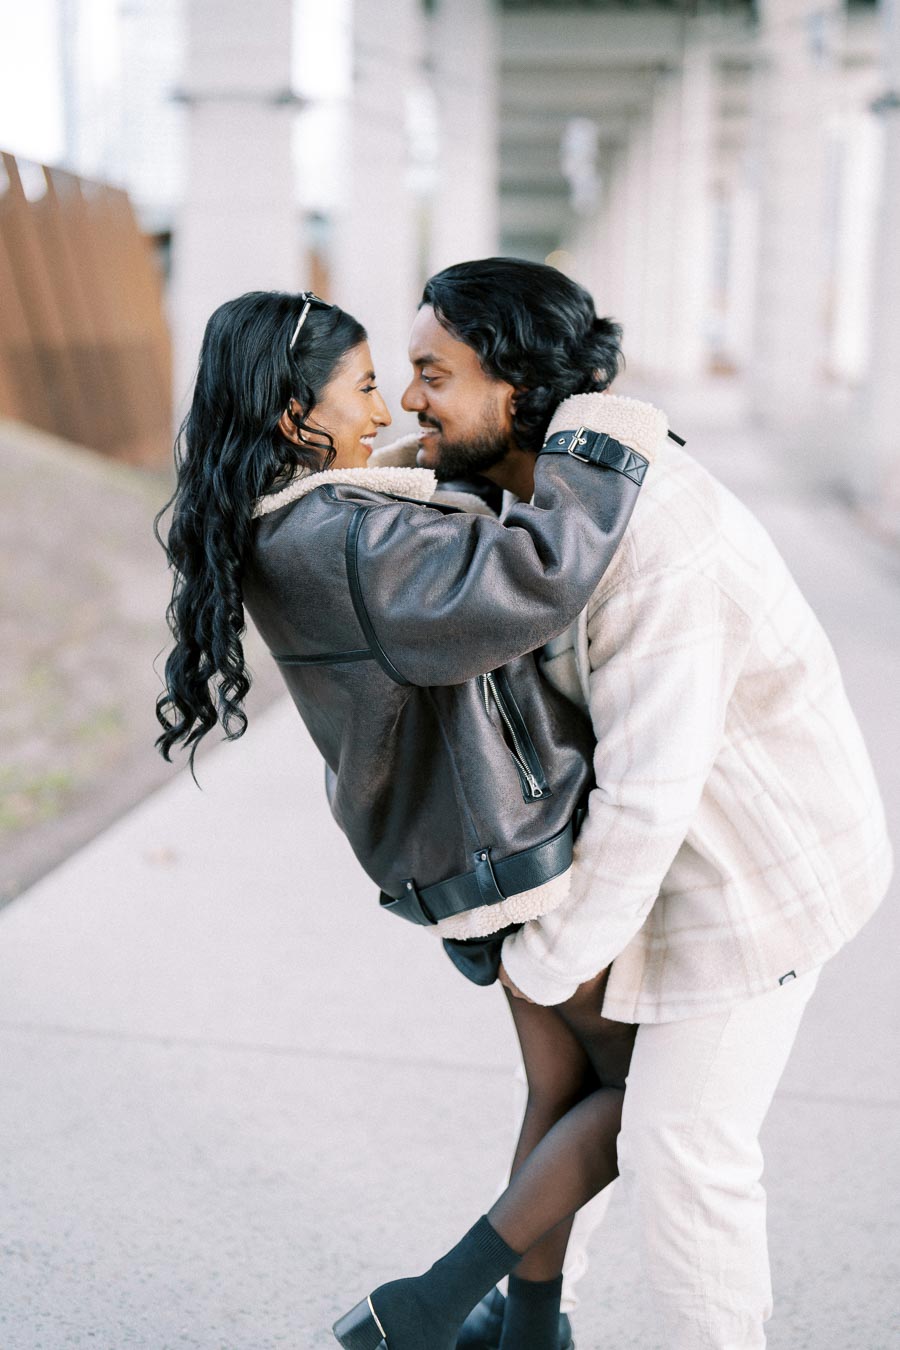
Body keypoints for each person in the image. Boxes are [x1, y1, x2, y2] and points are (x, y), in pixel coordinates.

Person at [379, 257, 892, 1350]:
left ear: (518, 388)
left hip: (759, 875)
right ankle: (522, 1325)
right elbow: (396, 487)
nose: (409, 395)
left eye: (433, 372)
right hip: (662, 864)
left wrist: (546, 962)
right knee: (585, 1087)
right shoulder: (532, 482)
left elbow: (652, 800)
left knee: (682, 1147)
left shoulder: (653, 542)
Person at [154, 287, 659, 1350]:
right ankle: (429, 1305)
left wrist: (413, 472)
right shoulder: (338, 543)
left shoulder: (301, 524)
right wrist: (602, 442)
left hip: (468, 851)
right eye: (368, 389)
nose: (385, 415)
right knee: (654, 1089)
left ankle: (528, 1335)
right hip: (516, 850)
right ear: (298, 421)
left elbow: (387, 517)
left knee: (562, 1089)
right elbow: (535, 575)